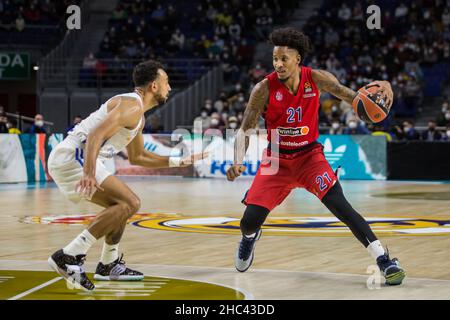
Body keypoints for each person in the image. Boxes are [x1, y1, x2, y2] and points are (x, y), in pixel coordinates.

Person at [226, 28, 405, 286]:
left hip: (310, 157)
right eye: (275, 58)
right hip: (276, 160)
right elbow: (245, 128)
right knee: (248, 222)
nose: (278, 64)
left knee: (341, 206)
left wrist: (383, 88)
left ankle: (384, 260)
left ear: (298, 58)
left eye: (284, 58)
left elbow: (351, 96)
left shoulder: (317, 78)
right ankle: (249, 239)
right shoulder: (263, 89)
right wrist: (237, 160)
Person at [47, 60, 207, 290]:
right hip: (74, 155)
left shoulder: (138, 115)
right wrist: (90, 172)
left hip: (79, 157)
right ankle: (69, 256)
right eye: (166, 82)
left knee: (122, 205)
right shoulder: (131, 106)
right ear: (154, 86)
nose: (169, 88)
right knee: (130, 202)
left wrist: (178, 161)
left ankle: (108, 264)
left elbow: (138, 157)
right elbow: (94, 135)